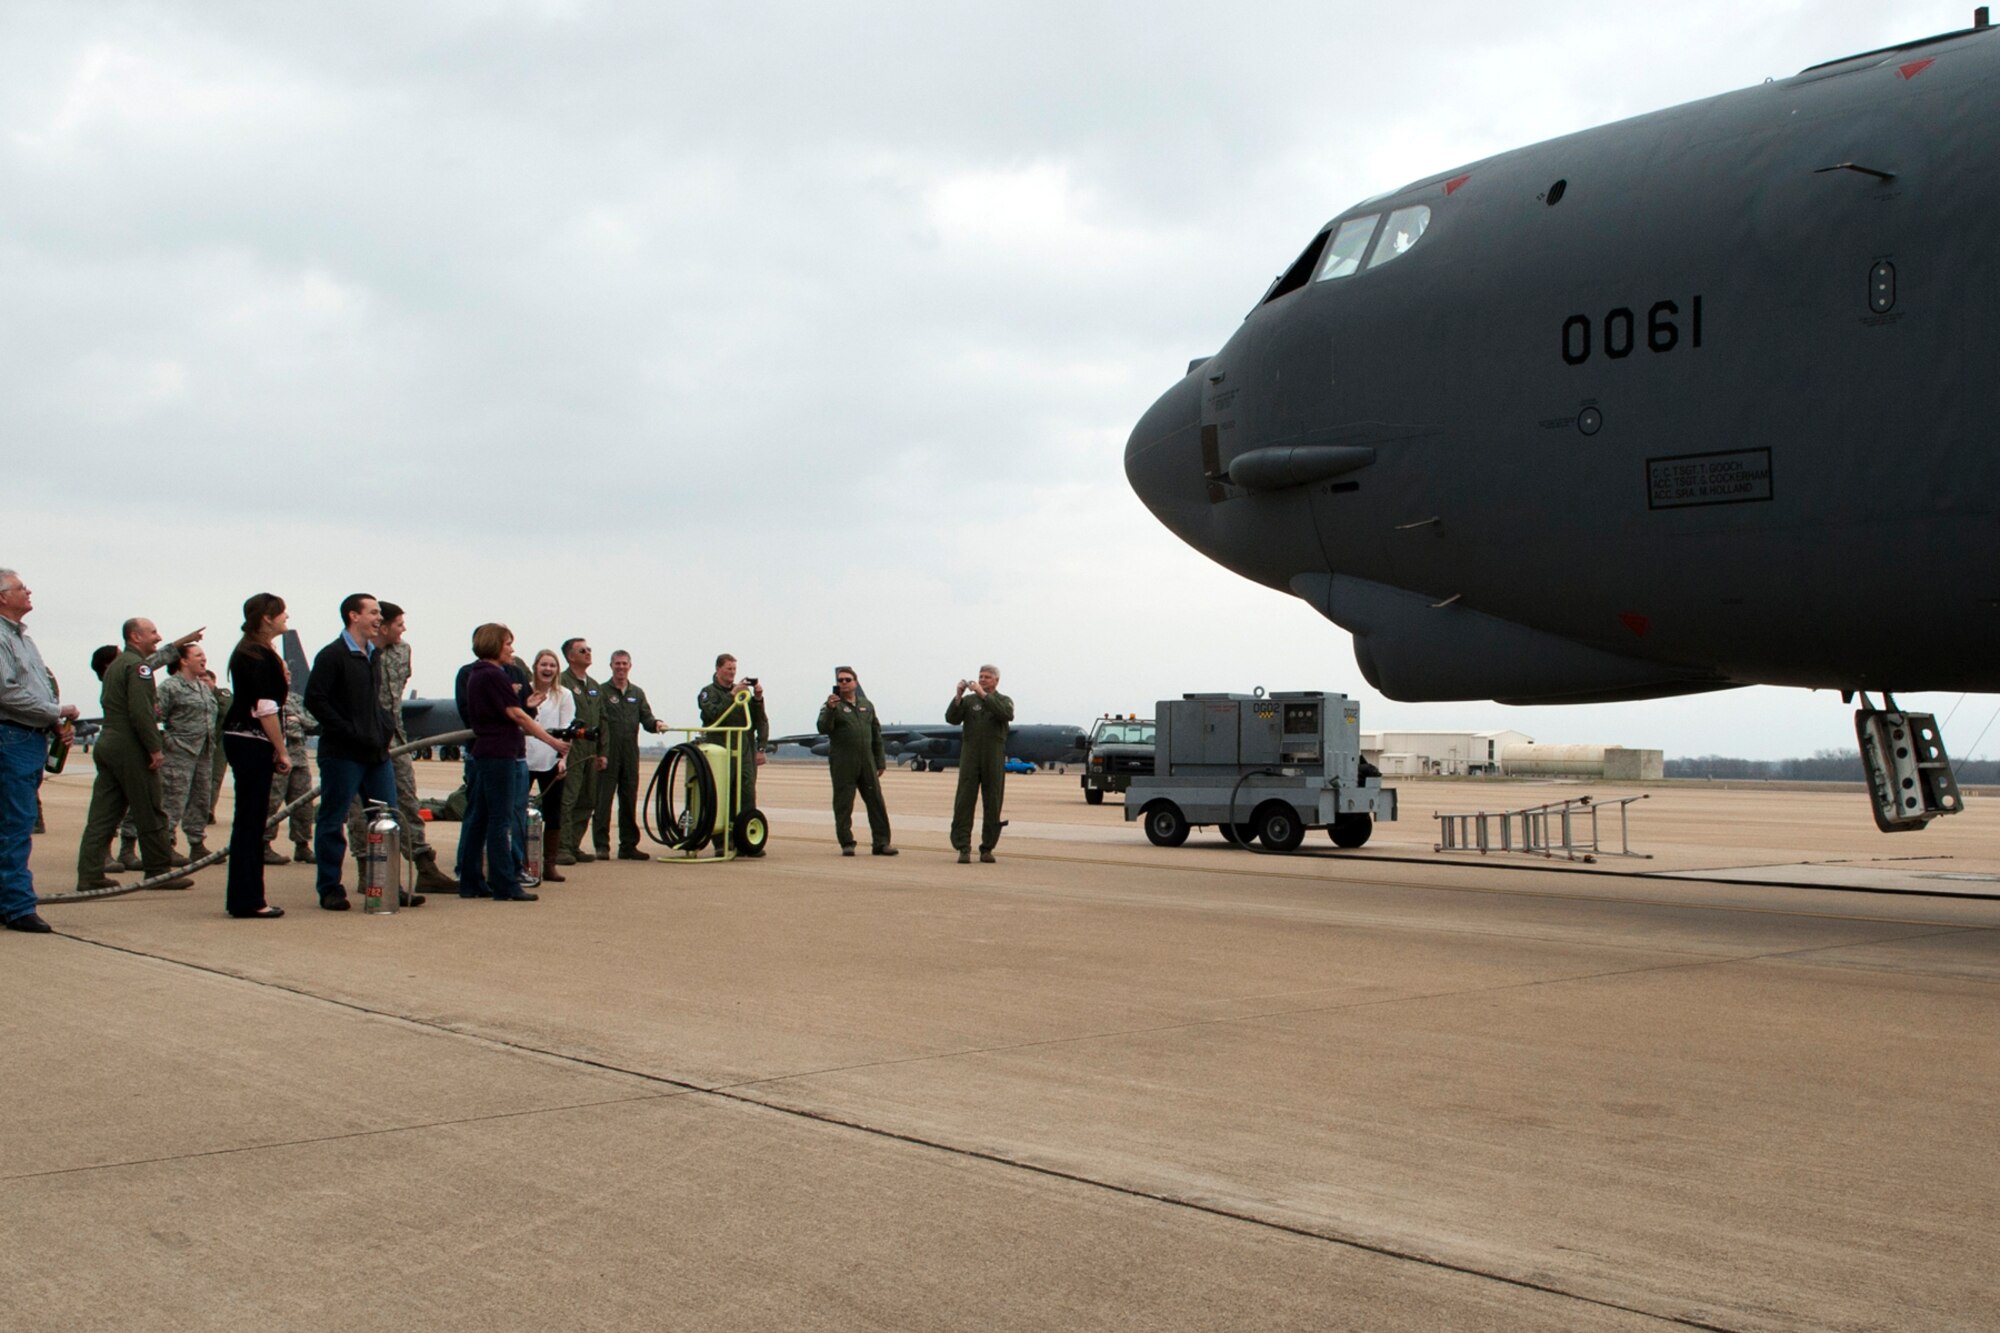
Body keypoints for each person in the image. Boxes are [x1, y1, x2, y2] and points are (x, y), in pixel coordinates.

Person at [73, 617, 197, 893]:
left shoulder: (118, 665)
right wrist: (154, 748)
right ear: (135, 637)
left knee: (103, 814)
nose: (157, 636)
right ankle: (159, 871)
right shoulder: (138, 667)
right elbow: (141, 712)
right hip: (129, 746)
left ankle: (90, 874)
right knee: (152, 811)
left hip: (108, 743)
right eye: (152, 632)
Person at [342, 603, 455, 893]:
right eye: (398, 624)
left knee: (407, 802)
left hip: (396, 739)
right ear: (382, 626)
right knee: (360, 807)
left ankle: (424, 865)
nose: (403, 629)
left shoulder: (403, 651)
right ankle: (368, 870)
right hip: (361, 740)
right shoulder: (357, 653)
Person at [303, 593, 400, 911]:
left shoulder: (374, 655)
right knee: (333, 819)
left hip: (375, 753)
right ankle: (330, 888)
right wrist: (348, 730)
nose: (378, 619)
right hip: (343, 753)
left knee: (386, 818)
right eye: (373, 612)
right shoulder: (332, 655)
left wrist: (381, 728)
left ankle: (386, 887)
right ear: (352, 616)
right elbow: (315, 700)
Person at [459, 624, 569, 901]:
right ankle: (505, 883)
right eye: (508, 643)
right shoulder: (494, 675)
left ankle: (472, 881)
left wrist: (527, 704)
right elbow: (516, 715)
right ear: (494, 644)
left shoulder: (478, 674)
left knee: (481, 818)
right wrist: (553, 742)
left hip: (487, 752)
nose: (511, 649)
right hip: (499, 754)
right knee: (500, 821)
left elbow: (514, 710)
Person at [0, 570, 79, 933]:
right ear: (3, 596)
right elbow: (7, 692)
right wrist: (55, 713)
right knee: (14, 825)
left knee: (17, 822)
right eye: (20, 587)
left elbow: (38, 688)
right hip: (11, 738)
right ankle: (16, 907)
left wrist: (52, 725)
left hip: (29, 737)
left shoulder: (23, 640)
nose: (28, 591)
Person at [220, 594, 292, 918]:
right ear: (266, 618)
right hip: (252, 740)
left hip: (242, 738)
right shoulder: (257, 655)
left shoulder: (251, 651)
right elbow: (265, 708)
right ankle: (249, 899)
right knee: (251, 821)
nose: (286, 617)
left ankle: (245, 896)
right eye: (281, 613)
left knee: (248, 821)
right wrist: (281, 749)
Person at [596, 650, 667, 861]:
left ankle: (628, 845)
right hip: (608, 753)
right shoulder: (601, 691)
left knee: (628, 799)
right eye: (617, 664)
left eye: (624, 664)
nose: (621, 667)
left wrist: (656, 724)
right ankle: (601, 846)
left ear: (630, 666)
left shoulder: (637, 692)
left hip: (630, 754)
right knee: (603, 801)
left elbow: (646, 717)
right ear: (611, 666)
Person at [817, 666, 895, 857]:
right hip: (843, 762)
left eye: (847, 680)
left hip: (866, 761)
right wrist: (830, 709)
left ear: (855, 682)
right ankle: (847, 842)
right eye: (840, 680)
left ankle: (881, 842)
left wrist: (880, 761)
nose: (843, 683)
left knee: (876, 802)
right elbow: (823, 728)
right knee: (844, 804)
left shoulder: (867, 705)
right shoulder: (832, 705)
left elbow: (876, 733)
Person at [698, 653, 769, 856]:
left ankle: (746, 841)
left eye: (734, 669)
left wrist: (757, 699)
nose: (732, 673)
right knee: (721, 795)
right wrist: (731, 696)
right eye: (729, 669)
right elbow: (713, 714)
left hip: (744, 750)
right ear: (718, 669)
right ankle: (721, 841)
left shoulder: (743, 695)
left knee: (746, 794)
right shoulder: (708, 692)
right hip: (720, 750)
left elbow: (759, 720)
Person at [155, 643, 217, 862]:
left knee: (200, 799)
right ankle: (166, 845)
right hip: (178, 755)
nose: (204, 659)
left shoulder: (202, 687)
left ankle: (197, 843)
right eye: (199, 655)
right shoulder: (170, 687)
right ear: (184, 660)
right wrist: (168, 742)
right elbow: (154, 718)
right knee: (172, 801)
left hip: (203, 753)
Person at [947, 664, 1014, 864]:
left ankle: (987, 848)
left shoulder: (1004, 700)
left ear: (996, 680)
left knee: (993, 801)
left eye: (987, 677)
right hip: (970, 756)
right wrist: (958, 696)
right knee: (964, 801)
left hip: (993, 756)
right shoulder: (969, 702)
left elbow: (1006, 714)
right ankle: (963, 847)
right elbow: (952, 719)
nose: (982, 680)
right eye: (980, 677)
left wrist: (984, 695)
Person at [522, 649, 573, 882]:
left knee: (553, 812)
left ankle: (549, 864)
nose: (548, 669)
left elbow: (567, 730)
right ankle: (522, 861)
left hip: (551, 758)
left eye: (552, 666)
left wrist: (563, 760)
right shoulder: (524, 690)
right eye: (544, 665)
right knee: (519, 810)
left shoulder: (564, 695)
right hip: (524, 756)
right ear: (535, 666)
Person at [555, 638, 606, 865]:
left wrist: (602, 751)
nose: (588, 653)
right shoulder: (562, 682)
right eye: (582, 650)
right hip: (572, 748)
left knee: (588, 799)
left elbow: (603, 720)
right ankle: (561, 847)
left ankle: (574, 845)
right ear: (570, 656)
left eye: (589, 649)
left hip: (591, 750)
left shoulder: (594, 686)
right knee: (568, 799)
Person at [263, 681, 315, 865]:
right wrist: (289, 720)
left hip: (299, 758)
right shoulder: (267, 699)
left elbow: (313, 721)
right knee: (272, 802)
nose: (287, 677)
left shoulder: (296, 699)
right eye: (283, 673)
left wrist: (298, 719)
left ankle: (302, 845)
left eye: (288, 674)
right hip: (277, 759)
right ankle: (264, 845)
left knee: (303, 802)